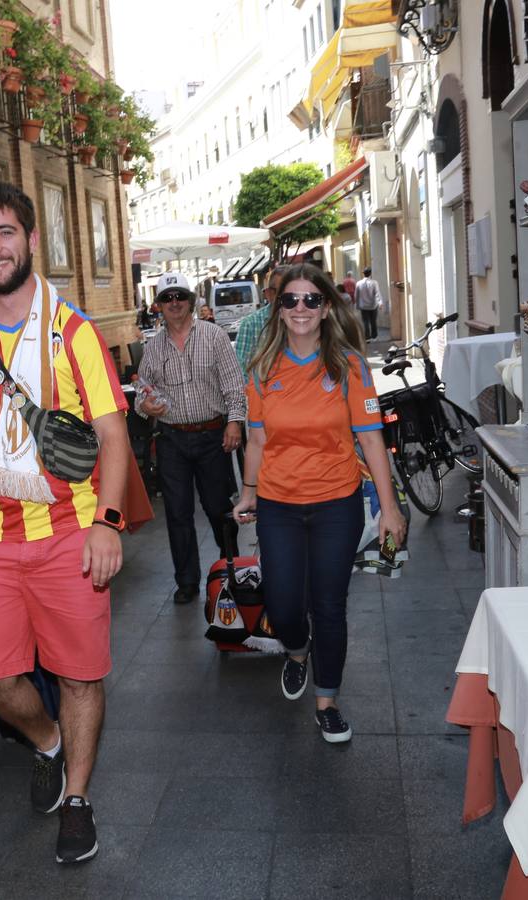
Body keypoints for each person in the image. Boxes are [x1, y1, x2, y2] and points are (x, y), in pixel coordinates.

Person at [0, 180, 131, 864]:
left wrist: (108, 522)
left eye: (4, 232)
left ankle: (76, 798)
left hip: (68, 533)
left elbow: (112, 436)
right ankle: (45, 740)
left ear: (31, 240)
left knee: (78, 675)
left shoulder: (73, 333)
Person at [232, 264, 406, 743]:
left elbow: (372, 441)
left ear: (326, 307)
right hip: (278, 504)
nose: (301, 309)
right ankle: (296, 650)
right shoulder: (264, 368)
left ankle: (327, 701)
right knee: (285, 605)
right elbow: (256, 440)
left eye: (311, 300)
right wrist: (248, 492)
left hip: (336, 503)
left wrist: (390, 510)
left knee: (329, 605)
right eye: (291, 300)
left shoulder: (349, 365)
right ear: (279, 308)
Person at [136, 272, 246, 605]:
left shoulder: (213, 336)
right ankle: (186, 581)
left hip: (212, 435)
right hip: (171, 439)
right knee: (177, 512)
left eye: (179, 296)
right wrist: (146, 404)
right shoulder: (153, 347)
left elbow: (233, 384)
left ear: (191, 300)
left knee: (217, 508)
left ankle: (233, 568)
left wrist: (235, 423)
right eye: (167, 298)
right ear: (159, 305)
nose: (174, 303)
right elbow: (143, 390)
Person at [233, 266, 285, 373]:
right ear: (269, 294)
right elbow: (240, 370)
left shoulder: (304, 321)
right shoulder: (250, 324)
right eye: (283, 293)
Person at [354, 267, 384, 341]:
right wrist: (380, 303)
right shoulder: (374, 283)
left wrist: (357, 305)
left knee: (365, 321)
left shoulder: (358, 283)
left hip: (363, 306)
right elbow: (377, 293)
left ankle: (367, 337)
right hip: (373, 305)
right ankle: (374, 336)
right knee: (373, 321)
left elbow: (356, 295)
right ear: (370, 273)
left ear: (363, 274)